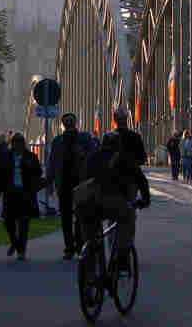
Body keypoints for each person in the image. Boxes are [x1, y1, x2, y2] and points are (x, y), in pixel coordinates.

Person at [79, 131, 149, 271]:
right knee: (128, 217)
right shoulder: (124, 158)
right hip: (113, 201)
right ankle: (122, 256)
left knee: (91, 234)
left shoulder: (92, 158)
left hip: (89, 204)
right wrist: (145, 199)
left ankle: (90, 265)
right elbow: (141, 180)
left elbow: (82, 179)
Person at [48, 112, 96, 260]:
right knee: (66, 217)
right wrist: (50, 180)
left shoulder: (84, 138)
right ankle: (69, 247)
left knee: (81, 215)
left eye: (71, 122)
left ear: (75, 123)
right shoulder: (57, 141)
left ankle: (80, 244)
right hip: (64, 182)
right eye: (66, 122)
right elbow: (52, 162)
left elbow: (93, 156)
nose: (69, 124)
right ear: (63, 124)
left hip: (81, 182)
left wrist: (82, 154)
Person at [0, 132, 42, 260]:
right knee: (8, 221)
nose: (17, 146)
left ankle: (21, 250)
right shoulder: (6, 157)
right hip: (10, 193)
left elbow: (38, 172)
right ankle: (14, 242)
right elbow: (1, 177)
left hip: (25, 193)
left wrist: (30, 169)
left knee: (24, 223)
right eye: (15, 143)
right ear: (12, 145)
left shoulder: (31, 157)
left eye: (20, 143)